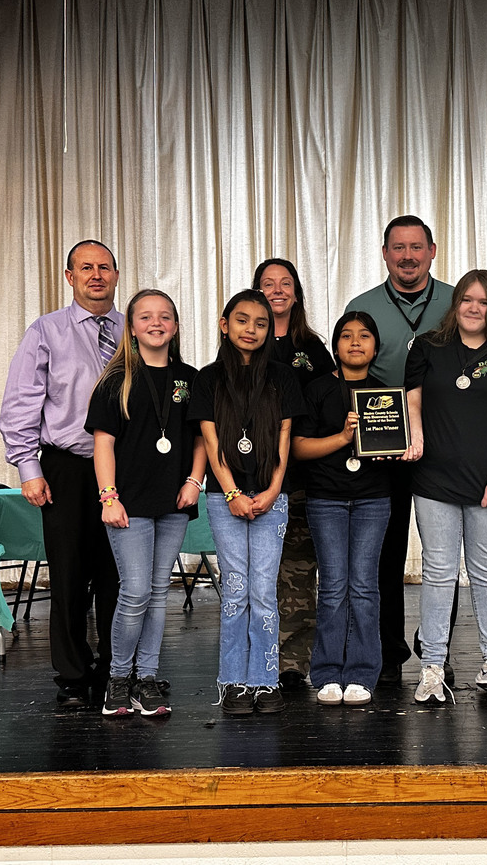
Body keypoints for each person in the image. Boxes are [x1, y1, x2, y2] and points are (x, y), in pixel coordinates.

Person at [404, 270, 487, 705]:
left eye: (483, 301)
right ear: (455, 303)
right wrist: (417, 436)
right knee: (438, 575)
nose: (474, 308)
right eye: (467, 299)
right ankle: (432, 668)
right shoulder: (427, 347)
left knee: (485, 574)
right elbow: (413, 400)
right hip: (434, 481)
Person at [0, 239, 123, 708]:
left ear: (115, 275)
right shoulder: (45, 331)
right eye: (86, 268)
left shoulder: (133, 330)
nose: (97, 275)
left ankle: (119, 668)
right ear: (69, 277)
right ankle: (72, 674)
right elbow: (20, 404)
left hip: (123, 470)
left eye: (105, 267)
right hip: (67, 467)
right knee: (70, 575)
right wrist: (28, 468)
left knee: (120, 576)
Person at [345, 214, 456, 686]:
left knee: (441, 556)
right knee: (383, 554)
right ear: (385, 253)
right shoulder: (362, 305)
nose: (408, 256)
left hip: (444, 446)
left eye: (417, 247)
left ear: (432, 251)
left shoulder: (457, 301)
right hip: (382, 450)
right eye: (398, 248)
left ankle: (437, 648)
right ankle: (386, 650)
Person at [86, 289, 206, 717]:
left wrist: (195, 480)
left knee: (158, 593)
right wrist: (108, 497)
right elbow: (103, 446)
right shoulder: (115, 380)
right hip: (127, 504)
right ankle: (118, 680)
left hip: (173, 500)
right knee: (134, 592)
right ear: (131, 327)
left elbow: (201, 439)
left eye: (165, 316)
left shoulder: (190, 379)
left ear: (175, 325)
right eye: (145, 317)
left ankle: (147, 679)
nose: (156, 323)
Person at [187, 290, 304, 716]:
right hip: (224, 498)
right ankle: (233, 681)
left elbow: (286, 439)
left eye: (260, 323)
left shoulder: (283, 376)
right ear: (224, 325)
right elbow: (211, 441)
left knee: (264, 591)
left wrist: (273, 491)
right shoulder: (207, 378)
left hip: (274, 496)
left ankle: (265, 680)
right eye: (242, 320)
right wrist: (233, 492)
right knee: (235, 591)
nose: (251, 329)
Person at [292, 311, 392, 706]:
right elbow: (299, 448)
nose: (355, 342)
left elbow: (395, 446)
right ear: (334, 346)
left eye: (364, 336)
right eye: (346, 336)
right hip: (325, 499)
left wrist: (391, 451)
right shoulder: (316, 390)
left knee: (364, 587)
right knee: (333, 587)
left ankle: (364, 673)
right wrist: (343, 437)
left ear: (375, 347)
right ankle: (328, 672)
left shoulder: (386, 393)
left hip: (373, 498)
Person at [253, 259, 335, 689]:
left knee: (300, 574)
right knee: (257, 575)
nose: (277, 290)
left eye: (285, 284)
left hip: (305, 480)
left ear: (297, 294)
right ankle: (255, 659)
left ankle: (292, 663)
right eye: (267, 284)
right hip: (254, 479)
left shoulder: (314, 349)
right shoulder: (243, 343)